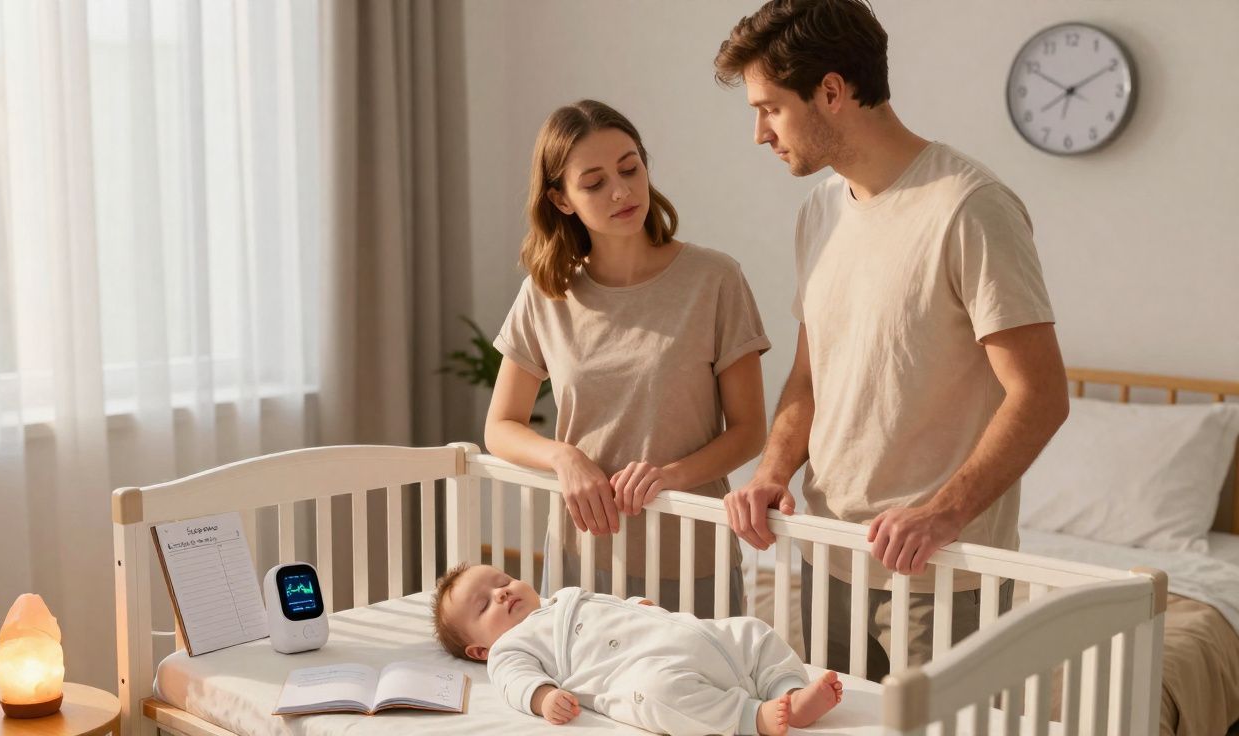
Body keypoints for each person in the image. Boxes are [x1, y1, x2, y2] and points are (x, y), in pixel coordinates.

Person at [714, 0, 1070, 680]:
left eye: (770, 109)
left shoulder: (970, 207)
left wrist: (942, 514)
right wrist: (770, 474)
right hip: (827, 556)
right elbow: (811, 379)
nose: (760, 134)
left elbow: (1041, 395)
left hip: (944, 574)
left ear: (831, 91)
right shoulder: (819, 211)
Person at [486, 100, 771, 616]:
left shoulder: (714, 280)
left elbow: (749, 430)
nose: (621, 191)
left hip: (690, 550)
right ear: (562, 199)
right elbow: (500, 426)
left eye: (630, 168)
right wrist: (564, 457)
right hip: (579, 554)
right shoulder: (547, 294)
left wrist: (671, 476)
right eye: (594, 183)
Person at [432, 563, 843, 734]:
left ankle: (788, 690)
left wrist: (634, 604)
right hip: (644, 669)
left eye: (503, 581)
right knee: (659, 694)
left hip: (694, 636)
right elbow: (513, 680)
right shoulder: (509, 647)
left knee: (752, 631)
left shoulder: (560, 599)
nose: (502, 594)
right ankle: (751, 717)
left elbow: (608, 609)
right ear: (479, 651)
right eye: (484, 605)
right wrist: (542, 698)